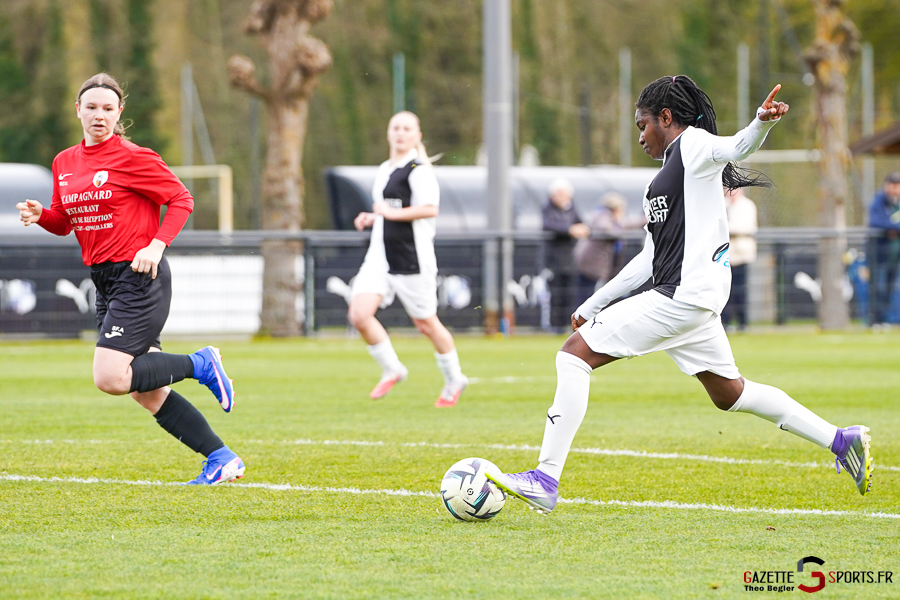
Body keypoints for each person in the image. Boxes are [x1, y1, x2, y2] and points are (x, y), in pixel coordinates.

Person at [486, 76, 873, 514]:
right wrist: (592, 304)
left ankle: (544, 477)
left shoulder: (694, 145)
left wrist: (761, 123)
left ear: (666, 118)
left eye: (643, 125)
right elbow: (648, 260)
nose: (640, 137)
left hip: (683, 296)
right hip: (692, 300)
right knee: (730, 394)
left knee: (574, 356)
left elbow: (738, 146)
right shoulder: (659, 182)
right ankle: (841, 440)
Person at [16, 73, 244, 485]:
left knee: (110, 377)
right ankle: (221, 457)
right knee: (145, 389)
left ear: (119, 112)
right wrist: (41, 216)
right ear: (78, 110)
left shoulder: (134, 157)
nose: (99, 115)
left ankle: (200, 363)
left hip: (139, 275)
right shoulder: (64, 161)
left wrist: (156, 245)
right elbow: (65, 222)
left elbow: (181, 199)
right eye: (91, 107)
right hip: (104, 279)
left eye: (108, 108)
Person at [349, 111, 468, 407]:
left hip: (410, 258)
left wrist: (390, 214)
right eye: (396, 128)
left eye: (406, 129)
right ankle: (393, 368)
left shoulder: (419, 169)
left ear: (417, 136)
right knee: (359, 314)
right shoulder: (385, 168)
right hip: (380, 257)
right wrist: (373, 216)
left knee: (426, 324)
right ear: (388, 133)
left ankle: (455, 378)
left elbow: (429, 209)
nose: (400, 133)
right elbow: (387, 209)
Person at [573, 192, 645, 304]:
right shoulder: (603, 216)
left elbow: (625, 224)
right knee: (587, 295)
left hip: (592, 263)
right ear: (616, 208)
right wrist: (620, 232)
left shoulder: (607, 217)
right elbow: (607, 229)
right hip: (591, 265)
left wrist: (645, 220)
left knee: (589, 293)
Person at [541, 178, 590, 330]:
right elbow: (549, 225)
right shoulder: (547, 209)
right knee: (555, 295)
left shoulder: (572, 209)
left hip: (570, 261)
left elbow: (582, 224)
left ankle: (569, 326)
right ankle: (555, 327)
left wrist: (582, 229)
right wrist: (570, 230)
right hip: (553, 261)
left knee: (570, 295)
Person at [866, 171, 900, 328]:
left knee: (890, 287)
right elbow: (876, 222)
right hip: (878, 253)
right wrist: (892, 228)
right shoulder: (878, 201)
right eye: (893, 185)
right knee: (877, 287)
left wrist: (894, 229)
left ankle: (885, 319)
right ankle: (875, 320)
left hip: (894, 255)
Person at [721, 186, 758, 331]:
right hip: (726, 255)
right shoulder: (723, 203)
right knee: (726, 290)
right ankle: (725, 321)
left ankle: (742, 322)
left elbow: (746, 227)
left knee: (740, 289)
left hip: (741, 254)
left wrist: (726, 227)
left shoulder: (747, 205)